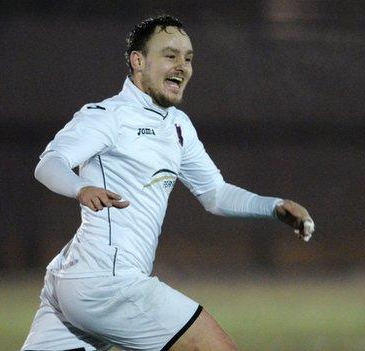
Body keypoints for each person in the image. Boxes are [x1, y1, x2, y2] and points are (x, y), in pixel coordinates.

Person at [21, 15, 314, 351]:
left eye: (188, 58)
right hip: (106, 283)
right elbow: (50, 162)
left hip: (77, 278)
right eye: (170, 55)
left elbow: (215, 194)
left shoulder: (177, 125)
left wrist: (273, 206)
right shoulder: (108, 116)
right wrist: (80, 188)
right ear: (138, 61)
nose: (182, 66)